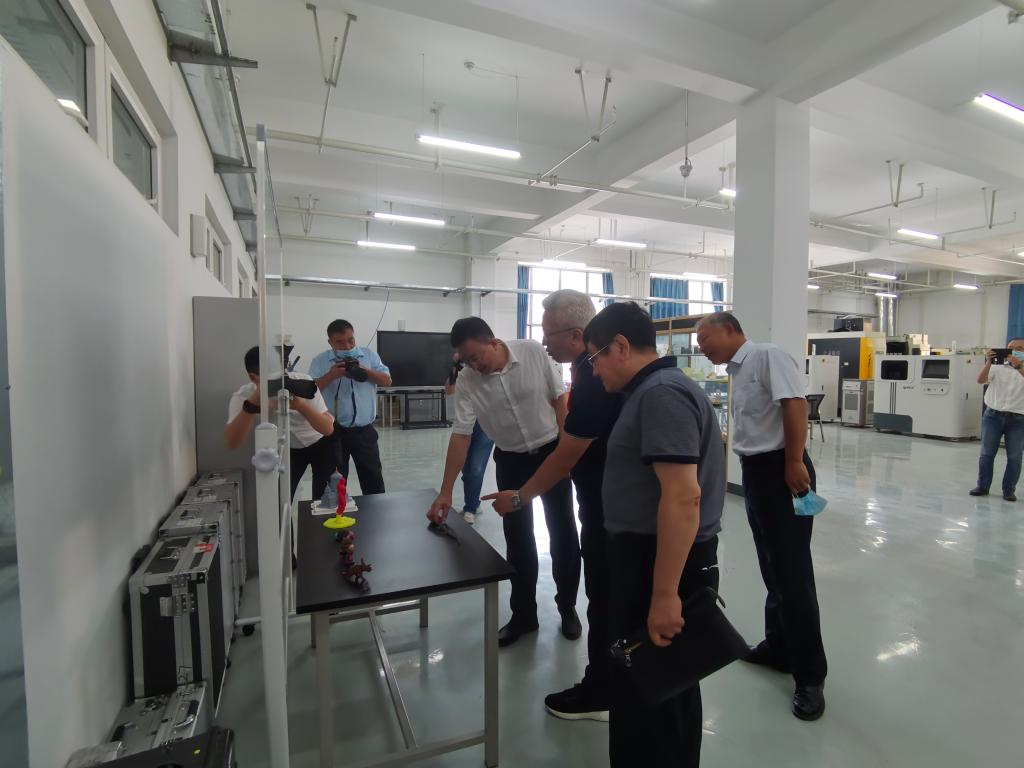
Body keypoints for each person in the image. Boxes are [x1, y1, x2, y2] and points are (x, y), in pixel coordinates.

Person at [583, 301, 724, 767]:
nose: (594, 370)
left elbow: (683, 497)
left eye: (595, 358)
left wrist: (665, 595)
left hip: (660, 564)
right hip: (646, 557)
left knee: (660, 694)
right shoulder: (649, 391)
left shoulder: (662, 394)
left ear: (620, 346)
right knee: (645, 689)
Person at [483, 289, 621, 722]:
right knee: (530, 545)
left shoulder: (595, 378)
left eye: (549, 333)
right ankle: (528, 617)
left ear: (577, 335)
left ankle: (600, 684)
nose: (544, 342)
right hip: (595, 497)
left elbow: (567, 448)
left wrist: (520, 496)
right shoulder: (589, 369)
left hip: (605, 503)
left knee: (597, 584)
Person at [696, 311, 827, 721]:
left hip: (780, 470)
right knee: (773, 568)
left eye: (705, 338)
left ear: (730, 329)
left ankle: (810, 676)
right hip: (756, 472)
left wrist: (793, 461)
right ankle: (779, 647)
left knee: (792, 574)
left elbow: (795, 404)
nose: (701, 347)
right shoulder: (739, 369)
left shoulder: (767, 356)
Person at [427, 317, 581, 647]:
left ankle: (567, 608)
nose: (473, 366)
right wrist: (446, 491)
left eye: (476, 357)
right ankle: (524, 616)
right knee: (518, 539)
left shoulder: (532, 352)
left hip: (550, 453)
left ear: (494, 342)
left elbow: (560, 399)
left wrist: (566, 451)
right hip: (510, 460)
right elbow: (461, 434)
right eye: (466, 361)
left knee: (563, 532)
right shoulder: (467, 381)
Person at [224, 345, 335, 501]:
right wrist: (252, 404)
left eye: (282, 374)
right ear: (253, 378)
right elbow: (232, 443)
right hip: (288, 448)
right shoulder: (245, 395)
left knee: (325, 499)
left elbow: (328, 429)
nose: (281, 383)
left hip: (321, 441)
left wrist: (301, 406)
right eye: (273, 380)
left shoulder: (302, 383)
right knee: (280, 500)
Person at [308, 319, 392, 495]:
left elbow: (387, 381)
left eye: (350, 340)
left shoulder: (369, 355)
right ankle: (334, 510)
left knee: (373, 481)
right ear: (330, 342)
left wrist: (364, 370)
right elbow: (309, 391)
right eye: (340, 342)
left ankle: (374, 511)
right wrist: (331, 375)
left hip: (364, 431)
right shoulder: (320, 361)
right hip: (332, 432)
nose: (347, 346)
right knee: (332, 483)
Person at [443, 353, 494, 525]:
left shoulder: (486, 369)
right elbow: (449, 390)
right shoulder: (462, 374)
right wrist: (455, 367)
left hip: (485, 425)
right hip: (465, 424)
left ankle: (470, 508)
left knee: (475, 468)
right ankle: (473, 503)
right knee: (466, 468)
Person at [970, 339, 1024, 501]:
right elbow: (980, 380)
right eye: (1010, 348)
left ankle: (1009, 490)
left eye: (1019, 348)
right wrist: (988, 362)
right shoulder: (997, 366)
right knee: (987, 453)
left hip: (1018, 419)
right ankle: (983, 486)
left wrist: (1019, 367)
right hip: (993, 416)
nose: (1014, 351)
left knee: (1014, 456)